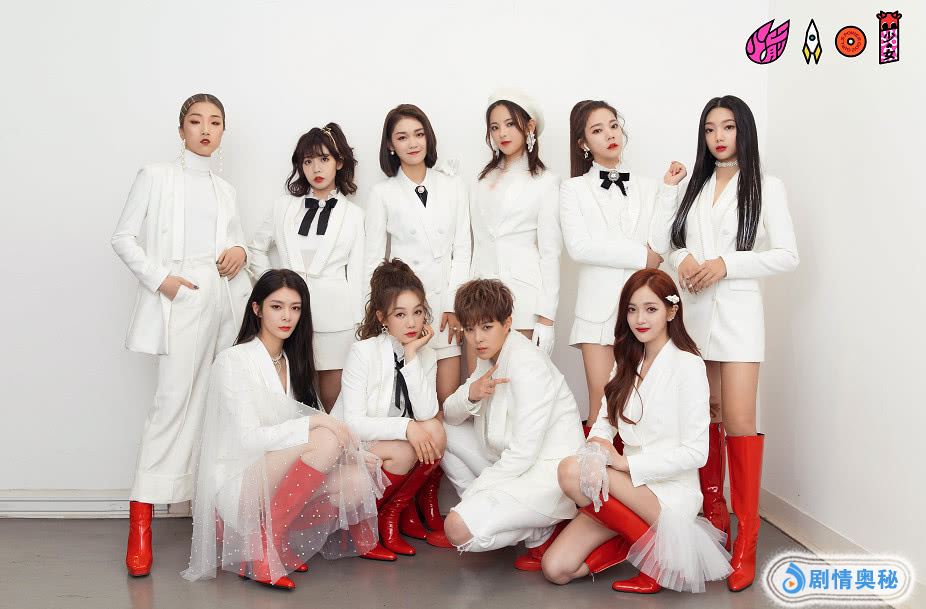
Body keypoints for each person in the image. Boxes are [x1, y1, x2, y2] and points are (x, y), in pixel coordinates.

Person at [651, 95, 799, 590]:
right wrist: (686, 259)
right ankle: (714, 519)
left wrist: (726, 264)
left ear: (744, 131)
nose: (718, 136)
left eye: (728, 127)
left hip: (738, 316)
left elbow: (787, 255)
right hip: (694, 314)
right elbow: (671, 242)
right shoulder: (692, 184)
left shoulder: (766, 186)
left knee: (738, 420)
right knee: (705, 415)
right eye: (710, 128)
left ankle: (747, 539)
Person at [111, 93, 251, 576]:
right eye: (196, 121)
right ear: (181, 129)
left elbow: (233, 241)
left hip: (222, 300)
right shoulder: (155, 176)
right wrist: (161, 280)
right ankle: (141, 522)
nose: (206, 130)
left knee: (217, 407)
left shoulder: (225, 189)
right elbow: (122, 237)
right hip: (180, 297)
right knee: (171, 404)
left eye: (215, 122)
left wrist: (240, 251)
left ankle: (213, 516)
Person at [182, 269, 381, 589]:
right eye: (277, 307)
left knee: (356, 481)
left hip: (275, 476)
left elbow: (311, 431)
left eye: (295, 308)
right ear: (257, 309)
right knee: (324, 436)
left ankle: (272, 536)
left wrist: (353, 455)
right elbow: (250, 439)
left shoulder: (293, 361)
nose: (287, 316)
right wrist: (314, 422)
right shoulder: (234, 360)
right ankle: (264, 544)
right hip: (239, 480)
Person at [542, 268, 732, 594]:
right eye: (632, 309)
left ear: (671, 311)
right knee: (556, 569)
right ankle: (634, 538)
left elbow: (696, 453)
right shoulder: (626, 361)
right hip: (625, 487)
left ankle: (656, 560)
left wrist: (624, 464)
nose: (639, 319)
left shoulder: (688, 366)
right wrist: (596, 449)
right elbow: (605, 421)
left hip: (667, 493)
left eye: (650, 309)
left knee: (570, 471)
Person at [435, 278, 584, 563]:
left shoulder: (528, 365)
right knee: (439, 429)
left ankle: (540, 528)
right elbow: (450, 415)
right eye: (470, 329)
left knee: (456, 529)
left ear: (507, 324)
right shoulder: (489, 356)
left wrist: (472, 497)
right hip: (506, 462)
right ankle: (492, 514)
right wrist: (472, 392)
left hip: (543, 475)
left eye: (486, 327)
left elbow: (524, 454)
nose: (477, 339)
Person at [332, 259, 450, 559]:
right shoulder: (363, 352)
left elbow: (426, 413)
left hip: (392, 443)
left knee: (435, 430)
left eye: (418, 312)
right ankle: (362, 526)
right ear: (382, 317)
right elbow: (353, 423)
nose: (411, 323)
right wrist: (406, 427)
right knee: (406, 448)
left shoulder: (424, 354)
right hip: (352, 444)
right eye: (400, 314)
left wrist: (411, 356)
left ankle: (391, 514)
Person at [249, 123, 365, 411]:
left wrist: (359, 322)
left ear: (339, 162)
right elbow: (255, 248)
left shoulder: (354, 215)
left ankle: (338, 442)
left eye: (324, 159)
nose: (316, 168)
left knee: (334, 403)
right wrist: (273, 292)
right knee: (291, 399)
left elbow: (359, 273)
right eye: (308, 161)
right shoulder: (283, 207)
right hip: (289, 318)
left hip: (336, 321)